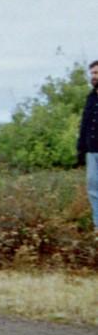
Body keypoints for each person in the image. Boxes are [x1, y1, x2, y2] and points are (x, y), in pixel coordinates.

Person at [77, 60, 98, 231]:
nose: (93, 77)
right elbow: (85, 124)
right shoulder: (91, 98)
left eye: (97, 73)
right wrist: (80, 150)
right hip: (92, 151)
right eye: (92, 73)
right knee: (93, 190)